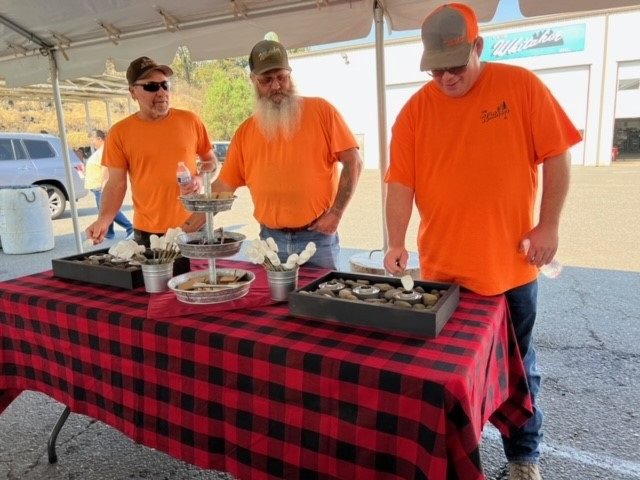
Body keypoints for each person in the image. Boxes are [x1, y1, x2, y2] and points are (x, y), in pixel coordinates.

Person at [383, 4, 581, 480]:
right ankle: (456, 459)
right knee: (449, 380)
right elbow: (400, 185)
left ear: (478, 47)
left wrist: (548, 224)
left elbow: (556, 156)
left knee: (518, 370)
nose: (446, 79)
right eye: (435, 70)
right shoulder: (414, 112)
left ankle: (523, 458)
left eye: (455, 67)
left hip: (510, 271)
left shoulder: (521, 86)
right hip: (443, 274)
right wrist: (395, 240)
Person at [184, 40, 363, 269]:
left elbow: (353, 162)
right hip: (270, 241)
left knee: (321, 304)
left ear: (290, 75)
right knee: (274, 304)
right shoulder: (245, 132)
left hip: (318, 239)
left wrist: (336, 213)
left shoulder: (321, 111)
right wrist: (186, 230)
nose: (276, 86)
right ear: (253, 81)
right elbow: (222, 187)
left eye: (281, 77)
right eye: (266, 80)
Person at [85, 56, 215, 247]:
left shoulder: (190, 121)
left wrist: (198, 179)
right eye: (151, 87)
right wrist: (104, 220)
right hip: (148, 232)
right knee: (153, 278)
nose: (162, 92)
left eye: (165, 85)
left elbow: (211, 162)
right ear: (133, 92)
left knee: (201, 278)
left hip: (194, 225)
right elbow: (116, 184)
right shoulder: (120, 132)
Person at [84, 129, 133, 240]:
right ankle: (109, 232)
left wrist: (103, 184)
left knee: (108, 210)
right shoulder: (100, 150)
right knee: (105, 210)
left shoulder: (104, 151)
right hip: (97, 186)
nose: (92, 142)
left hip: (101, 186)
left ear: (99, 139)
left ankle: (129, 227)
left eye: (93, 139)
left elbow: (105, 168)